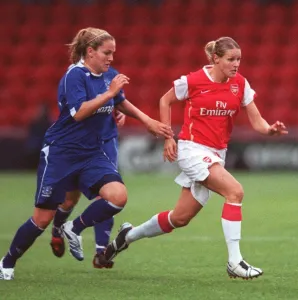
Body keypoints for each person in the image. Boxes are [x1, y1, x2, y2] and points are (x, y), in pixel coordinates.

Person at [104, 36, 288, 279]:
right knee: (235, 192)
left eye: (239, 59)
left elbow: (258, 121)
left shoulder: (240, 84)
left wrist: (270, 130)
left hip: (216, 153)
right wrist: (169, 137)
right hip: (192, 150)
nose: (236, 64)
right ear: (216, 59)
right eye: (231, 59)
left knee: (179, 218)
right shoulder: (193, 80)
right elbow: (165, 100)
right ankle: (235, 262)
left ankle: (127, 236)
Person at [0, 27, 173, 280]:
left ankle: (73, 227)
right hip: (62, 154)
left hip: (92, 152)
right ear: (90, 52)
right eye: (106, 53)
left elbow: (120, 101)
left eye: (113, 53)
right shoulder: (75, 76)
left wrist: (147, 120)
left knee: (118, 196)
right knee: (42, 219)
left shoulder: (107, 75)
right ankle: (7, 262)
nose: (111, 58)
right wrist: (110, 94)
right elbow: (79, 112)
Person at [50, 107, 125, 269]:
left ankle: (101, 252)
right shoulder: (74, 81)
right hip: (80, 143)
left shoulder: (109, 80)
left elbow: (117, 95)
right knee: (70, 199)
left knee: (108, 196)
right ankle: (57, 230)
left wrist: (120, 108)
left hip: (106, 141)